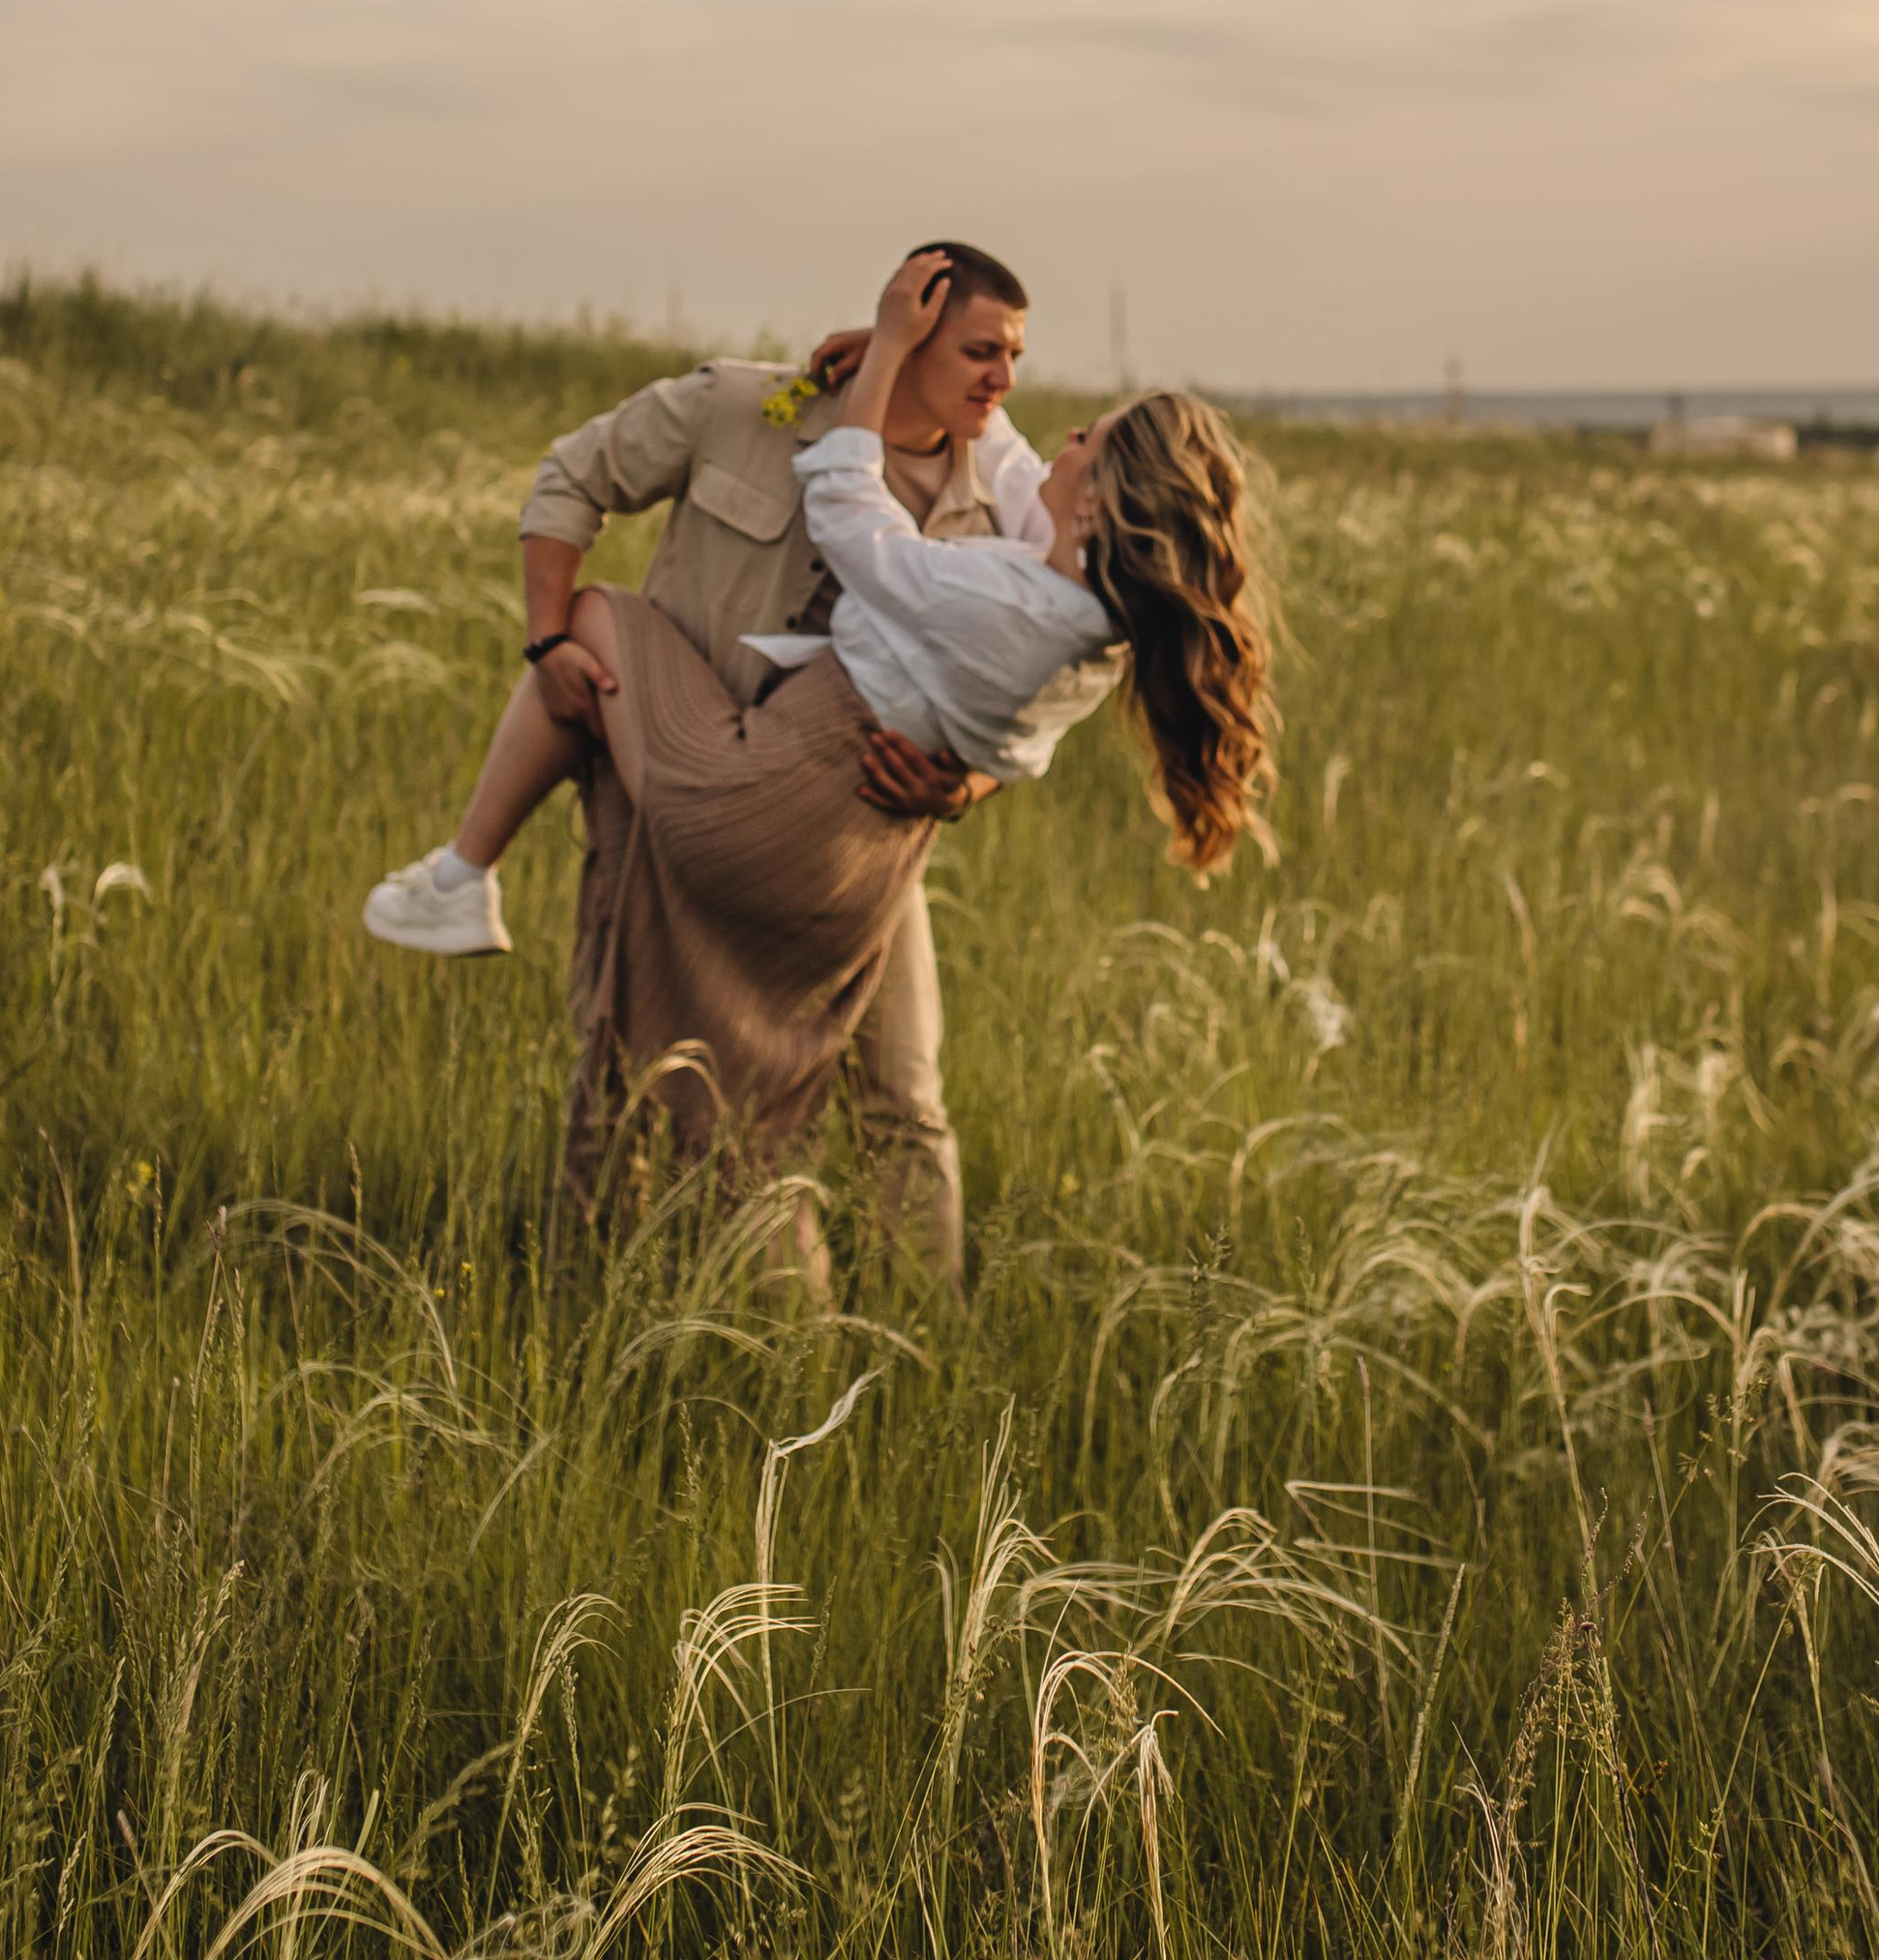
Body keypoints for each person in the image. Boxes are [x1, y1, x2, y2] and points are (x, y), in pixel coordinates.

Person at [366, 249, 1274, 1277]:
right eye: (983, 351)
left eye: (1016, 357)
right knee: (642, 1061)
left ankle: (459, 876)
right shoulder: (748, 410)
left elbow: (940, 627)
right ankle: (636, 1281)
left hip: (835, 824)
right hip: (717, 764)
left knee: (882, 1099)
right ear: (918, 337)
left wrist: (960, 784)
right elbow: (574, 476)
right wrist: (545, 641)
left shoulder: (1009, 524)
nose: (1010, 386)